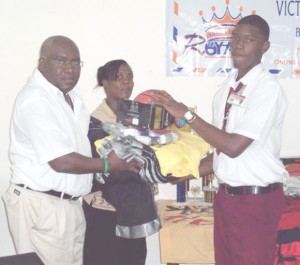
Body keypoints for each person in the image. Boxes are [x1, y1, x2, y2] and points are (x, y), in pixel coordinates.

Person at [153, 15, 288, 265]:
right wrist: (182, 173)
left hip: (256, 202)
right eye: (235, 38)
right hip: (227, 199)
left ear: (264, 46)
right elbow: (220, 151)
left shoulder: (267, 89)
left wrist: (188, 115)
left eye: (248, 40)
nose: (239, 44)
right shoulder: (225, 89)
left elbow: (234, 146)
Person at [3, 36, 140, 265]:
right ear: (42, 62)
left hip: (69, 205)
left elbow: (85, 147)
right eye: (61, 61)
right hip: (42, 205)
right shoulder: (36, 99)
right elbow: (61, 161)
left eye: (76, 63)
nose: (70, 69)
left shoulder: (72, 98)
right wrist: (109, 165)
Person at [83, 59, 148, 265]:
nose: (126, 82)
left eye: (129, 77)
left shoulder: (140, 117)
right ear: (105, 82)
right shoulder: (93, 123)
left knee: (135, 259)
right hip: (105, 209)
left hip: (134, 209)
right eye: (119, 78)